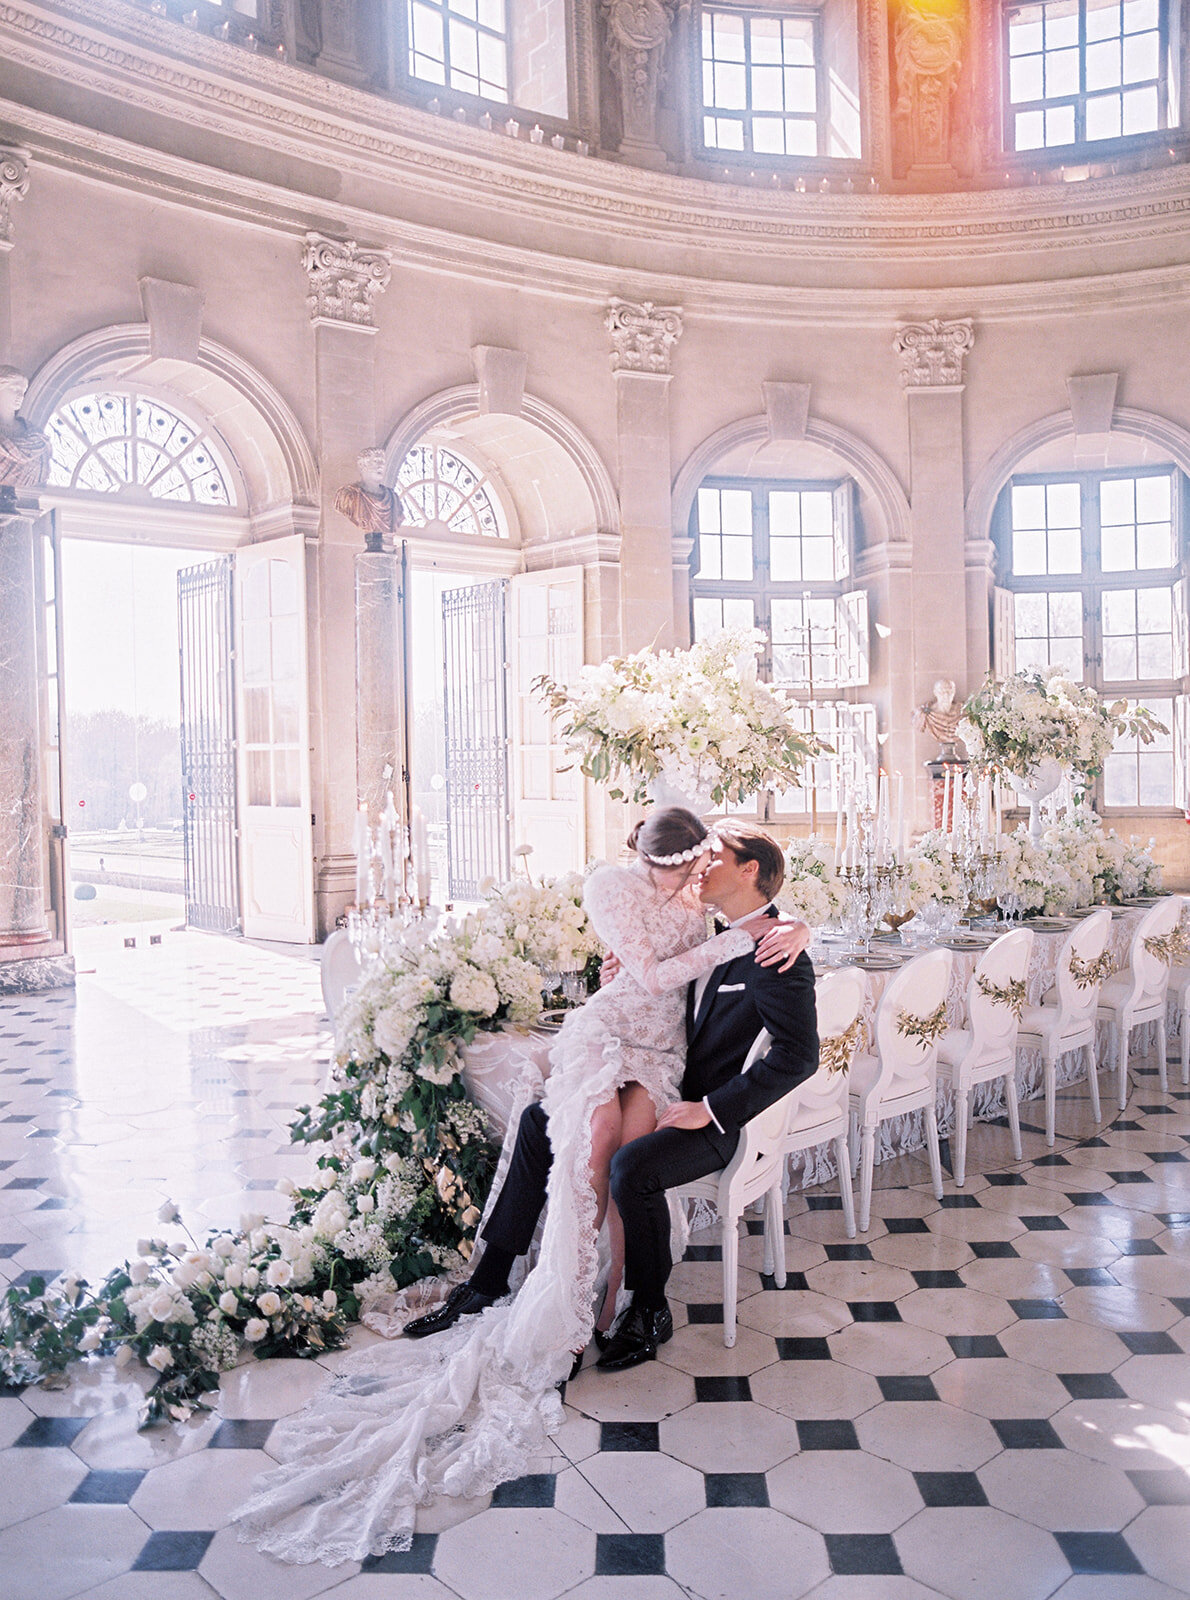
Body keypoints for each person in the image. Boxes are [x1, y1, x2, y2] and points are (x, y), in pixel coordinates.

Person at [235, 810, 810, 1565]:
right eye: (697, 858)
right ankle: (490, 1275)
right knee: (542, 1123)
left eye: (719, 858)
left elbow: (797, 1052)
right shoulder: (709, 914)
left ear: (750, 875)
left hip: (702, 1104)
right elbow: (673, 954)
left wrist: (713, 1105)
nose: (702, 868)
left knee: (622, 1166)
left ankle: (639, 1306)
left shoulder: (777, 947)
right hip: (642, 1047)